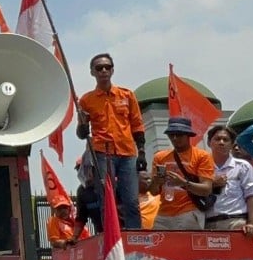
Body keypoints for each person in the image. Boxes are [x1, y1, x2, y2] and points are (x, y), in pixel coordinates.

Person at [77, 54, 146, 229]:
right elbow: (81, 132)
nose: (104, 71)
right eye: (99, 68)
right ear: (92, 72)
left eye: (107, 67)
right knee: (106, 199)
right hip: (102, 153)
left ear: (112, 70)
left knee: (131, 200)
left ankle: (134, 238)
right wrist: (83, 129)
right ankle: (109, 236)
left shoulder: (127, 95)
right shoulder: (86, 100)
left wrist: (142, 152)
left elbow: (137, 124)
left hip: (127, 153)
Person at [150, 117, 215, 230]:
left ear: (188, 135)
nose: (175, 138)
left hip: (188, 211)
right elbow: (153, 191)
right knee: (158, 246)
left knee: (187, 247)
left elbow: (206, 189)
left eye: (179, 135)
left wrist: (183, 183)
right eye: (171, 135)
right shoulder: (160, 157)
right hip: (163, 213)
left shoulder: (201, 156)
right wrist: (156, 182)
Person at [204, 125, 253, 235]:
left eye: (225, 140)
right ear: (209, 142)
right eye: (217, 139)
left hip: (236, 223)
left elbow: (252, 195)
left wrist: (252, 223)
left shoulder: (243, 166)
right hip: (207, 225)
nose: (221, 142)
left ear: (231, 144)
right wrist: (212, 185)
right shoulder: (201, 167)